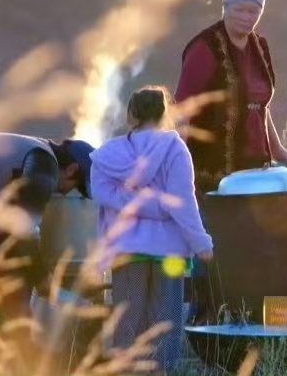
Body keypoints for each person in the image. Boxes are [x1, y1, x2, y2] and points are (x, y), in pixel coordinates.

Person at [90, 86, 213, 374]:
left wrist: (138, 204)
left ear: (131, 115)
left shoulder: (108, 155)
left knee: (127, 326)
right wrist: (201, 243)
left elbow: (102, 194)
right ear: (164, 113)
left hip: (126, 251)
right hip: (169, 254)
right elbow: (183, 203)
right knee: (165, 326)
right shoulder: (175, 149)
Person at [175, 0, 287, 194]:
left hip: (256, 168)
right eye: (240, 10)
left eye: (254, 11)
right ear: (225, 6)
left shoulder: (260, 47)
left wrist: (277, 148)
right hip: (213, 173)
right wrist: (177, 165)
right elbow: (182, 111)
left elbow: (260, 106)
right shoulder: (204, 48)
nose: (246, 17)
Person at [0, 133, 95, 320]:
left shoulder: (33, 148)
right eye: (75, 186)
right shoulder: (44, 164)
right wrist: (48, 287)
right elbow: (23, 232)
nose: (66, 193)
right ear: (71, 169)